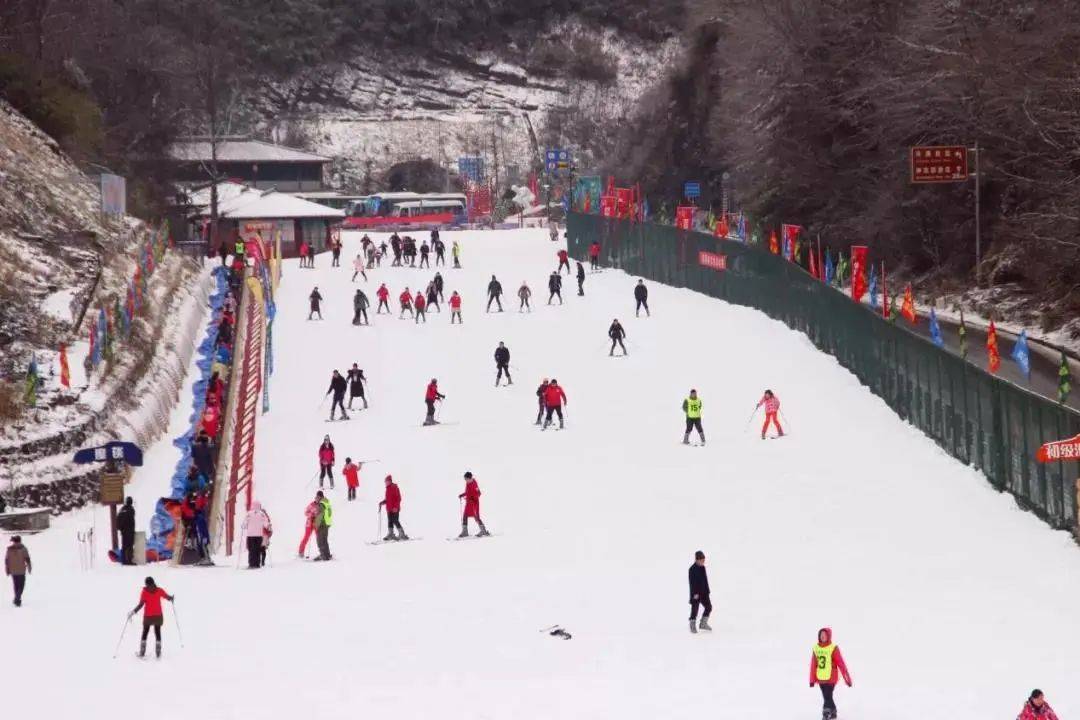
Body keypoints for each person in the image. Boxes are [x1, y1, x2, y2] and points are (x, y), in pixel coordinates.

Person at [809, 627, 852, 720]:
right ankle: (833, 712)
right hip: (820, 677)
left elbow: (841, 663)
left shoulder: (833, 648)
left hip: (831, 678)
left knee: (827, 696)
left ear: (828, 636)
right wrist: (812, 679)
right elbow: (813, 664)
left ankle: (826, 713)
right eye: (821, 635)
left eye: (824, 635)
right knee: (827, 697)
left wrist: (847, 678)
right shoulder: (816, 648)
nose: (823, 637)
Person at [128, 576, 174, 659]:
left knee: (145, 633)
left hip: (148, 617)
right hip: (158, 616)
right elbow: (167, 597)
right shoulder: (159, 590)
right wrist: (171, 598)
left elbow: (141, 605)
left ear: (146, 584)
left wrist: (133, 612)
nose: (149, 587)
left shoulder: (144, 592)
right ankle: (158, 653)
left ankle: (142, 652)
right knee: (157, 632)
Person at [458, 472, 490, 538]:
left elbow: (479, 493)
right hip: (468, 503)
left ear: (470, 478)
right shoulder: (468, 483)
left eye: (466, 479)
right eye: (465, 479)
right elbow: (468, 492)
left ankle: (483, 530)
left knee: (476, 517)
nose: (465, 480)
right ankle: (465, 532)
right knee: (465, 516)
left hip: (474, 504)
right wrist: (462, 495)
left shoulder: (474, 484)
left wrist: (472, 499)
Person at [688, 550, 711, 633]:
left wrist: (707, 590)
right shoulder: (692, 569)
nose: (703, 562)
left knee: (709, 607)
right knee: (695, 610)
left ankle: (703, 624)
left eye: (704, 560)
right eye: (702, 560)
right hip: (696, 594)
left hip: (704, 592)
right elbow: (692, 583)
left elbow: (705, 580)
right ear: (697, 560)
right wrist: (695, 594)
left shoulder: (703, 568)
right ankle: (692, 625)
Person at [379, 475, 408, 541]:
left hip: (395, 509)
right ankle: (391, 534)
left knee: (395, 520)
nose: (385, 483)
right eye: (385, 481)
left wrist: (395, 507)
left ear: (389, 481)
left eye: (386, 481)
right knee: (390, 521)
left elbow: (398, 498)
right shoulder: (387, 489)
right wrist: (382, 502)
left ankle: (402, 534)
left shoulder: (394, 487)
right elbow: (388, 499)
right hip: (389, 509)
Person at [244, 501, 271, 569]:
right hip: (259, 535)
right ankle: (257, 564)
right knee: (257, 549)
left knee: (251, 549)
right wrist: (268, 526)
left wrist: (244, 526)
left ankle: (251, 563)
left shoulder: (249, 514)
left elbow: (245, 523)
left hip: (250, 535)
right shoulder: (262, 514)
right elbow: (266, 523)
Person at [5, 535, 31, 607]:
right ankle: (17, 598)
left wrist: (7, 569)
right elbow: (27, 558)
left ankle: (17, 598)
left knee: (16, 585)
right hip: (21, 570)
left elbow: (7, 560)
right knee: (21, 586)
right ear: (20, 541)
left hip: (13, 570)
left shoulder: (9, 549)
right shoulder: (23, 548)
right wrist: (29, 567)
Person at [314, 491, 333, 561]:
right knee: (324, 540)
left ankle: (323, 555)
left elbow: (319, 515)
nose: (316, 498)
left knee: (320, 541)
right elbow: (329, 513)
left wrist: (316, 524)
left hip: (322, 525)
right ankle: (327, 555)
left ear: (319, 496)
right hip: (327, 524)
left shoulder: (321, 504)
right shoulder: (327, 502)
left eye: (317, 497)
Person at [117, 496, 136, 565]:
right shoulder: (130, 509)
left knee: (124, 546)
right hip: (129, 530)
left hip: (124, 531)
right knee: (129, 546)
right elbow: (131, 521)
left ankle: (124, 560)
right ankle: (129, 560)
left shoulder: (122, 509)